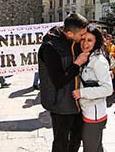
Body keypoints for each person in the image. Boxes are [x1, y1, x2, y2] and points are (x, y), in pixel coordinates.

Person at [38, 13, 89, 152]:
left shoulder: (75, 42)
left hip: (78, 101)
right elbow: (58, 80)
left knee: (77, 137)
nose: (84, 37)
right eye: (82, 34)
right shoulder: (50, 47)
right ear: (70, 33)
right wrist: (77, 63)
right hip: (60, 104)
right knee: (61, 142)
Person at [72, 25, 113, 152]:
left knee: (90, 149)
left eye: (90, 40)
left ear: (97, 42)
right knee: (96, 148)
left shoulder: (98, 60)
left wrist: (81, 93)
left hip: (94, 115)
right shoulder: (86, 57)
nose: (85, 43)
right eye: (83, 39)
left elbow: (108, 89)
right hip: (87, 111)